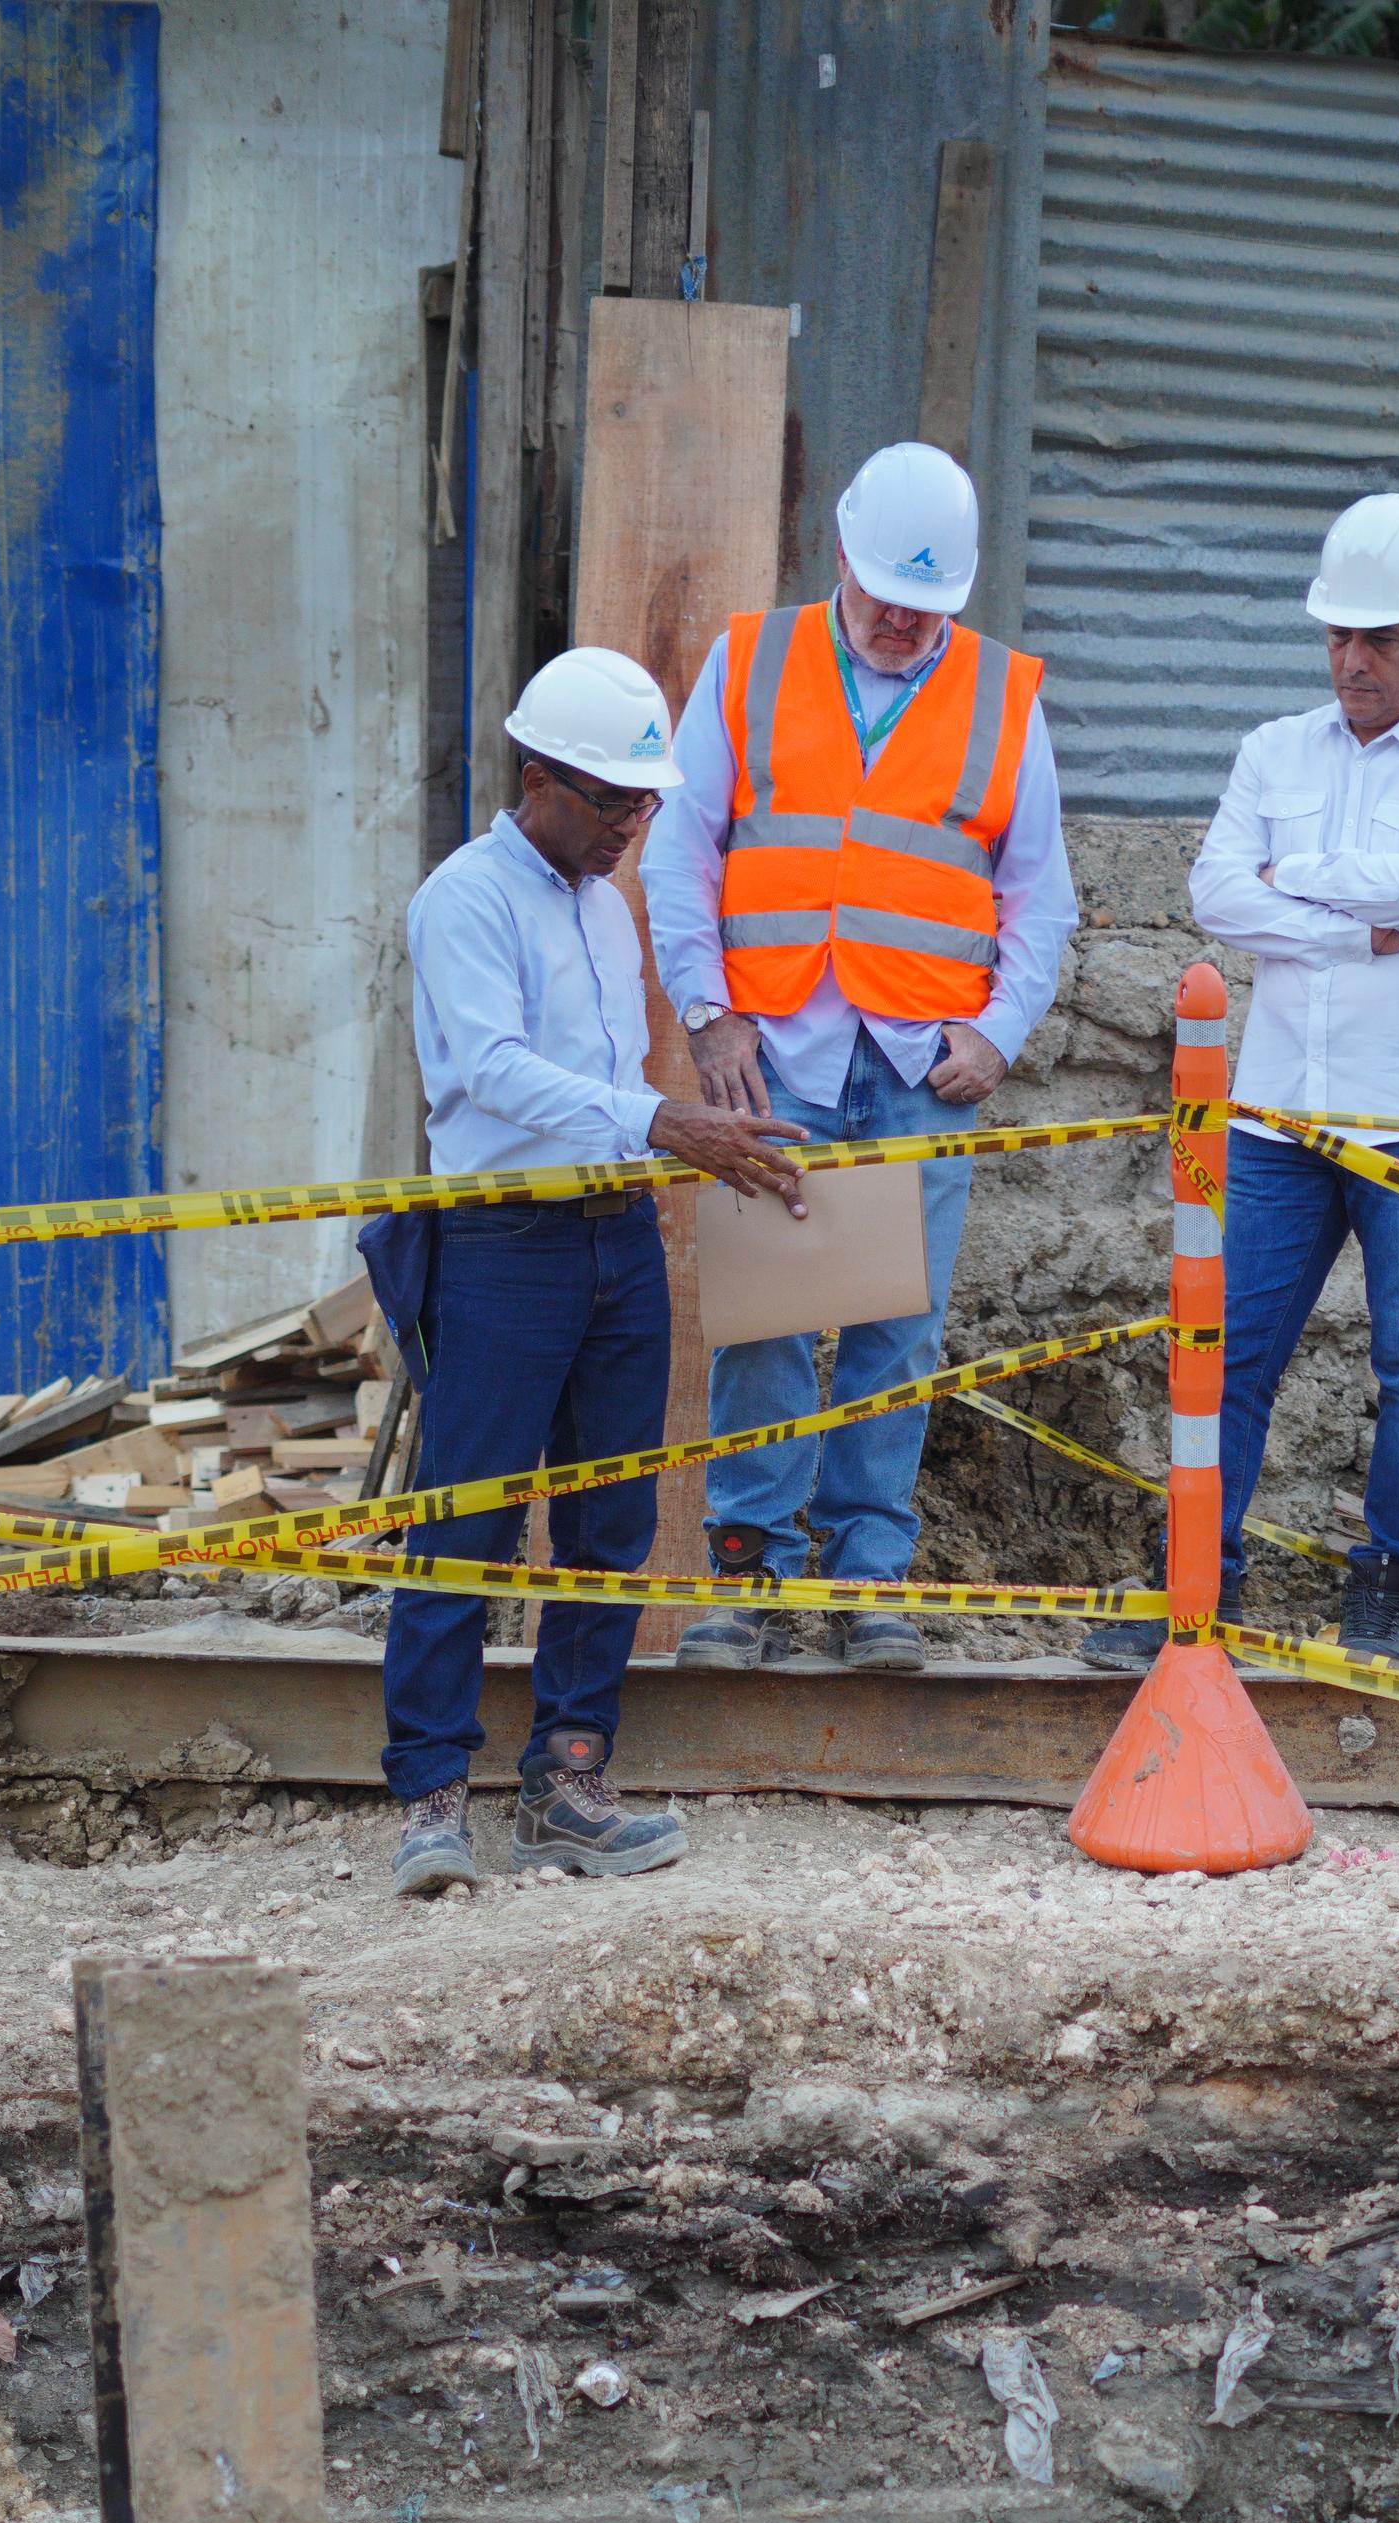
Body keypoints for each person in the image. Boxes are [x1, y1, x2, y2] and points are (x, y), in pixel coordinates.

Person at [1084, 489, 1399, 1676]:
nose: (1353, 660)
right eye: (1337, 634)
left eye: (1379, 638)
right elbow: (1213, 895)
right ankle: (1196, 1591)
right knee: (1224, 1352)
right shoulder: (1271, 749)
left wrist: (1302, 878)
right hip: (1280, 1111)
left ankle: (1382, 1604)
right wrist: (1350, 921)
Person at [642, 440, 1076, 1674]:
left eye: (927, 604)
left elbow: (1039, 894)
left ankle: (869, 1578)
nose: (900, 621)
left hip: (916, 1063)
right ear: (839, 553)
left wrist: (999, 1031)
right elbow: (683, 851)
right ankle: (750, 1579)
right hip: (770, 1051)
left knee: (896, 1327)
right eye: (886, 591)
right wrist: (705, 1010)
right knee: (768, 1320)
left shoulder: (1002, 696)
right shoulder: (748, 662)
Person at [385, 644, 802, 1900]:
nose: (633, 825)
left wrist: (690, 1145)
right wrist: (670, 1124)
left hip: (615, 1235)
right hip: (504, 1241)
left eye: (644, 804)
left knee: (611, 1516)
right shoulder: (466, 899)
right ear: (537, 778)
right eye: (612, 802)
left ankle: (568, 1778)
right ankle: (428, 1793)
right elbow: (495, 1072)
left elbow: (611, 1087)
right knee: (467, 1513)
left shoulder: (599, 907)